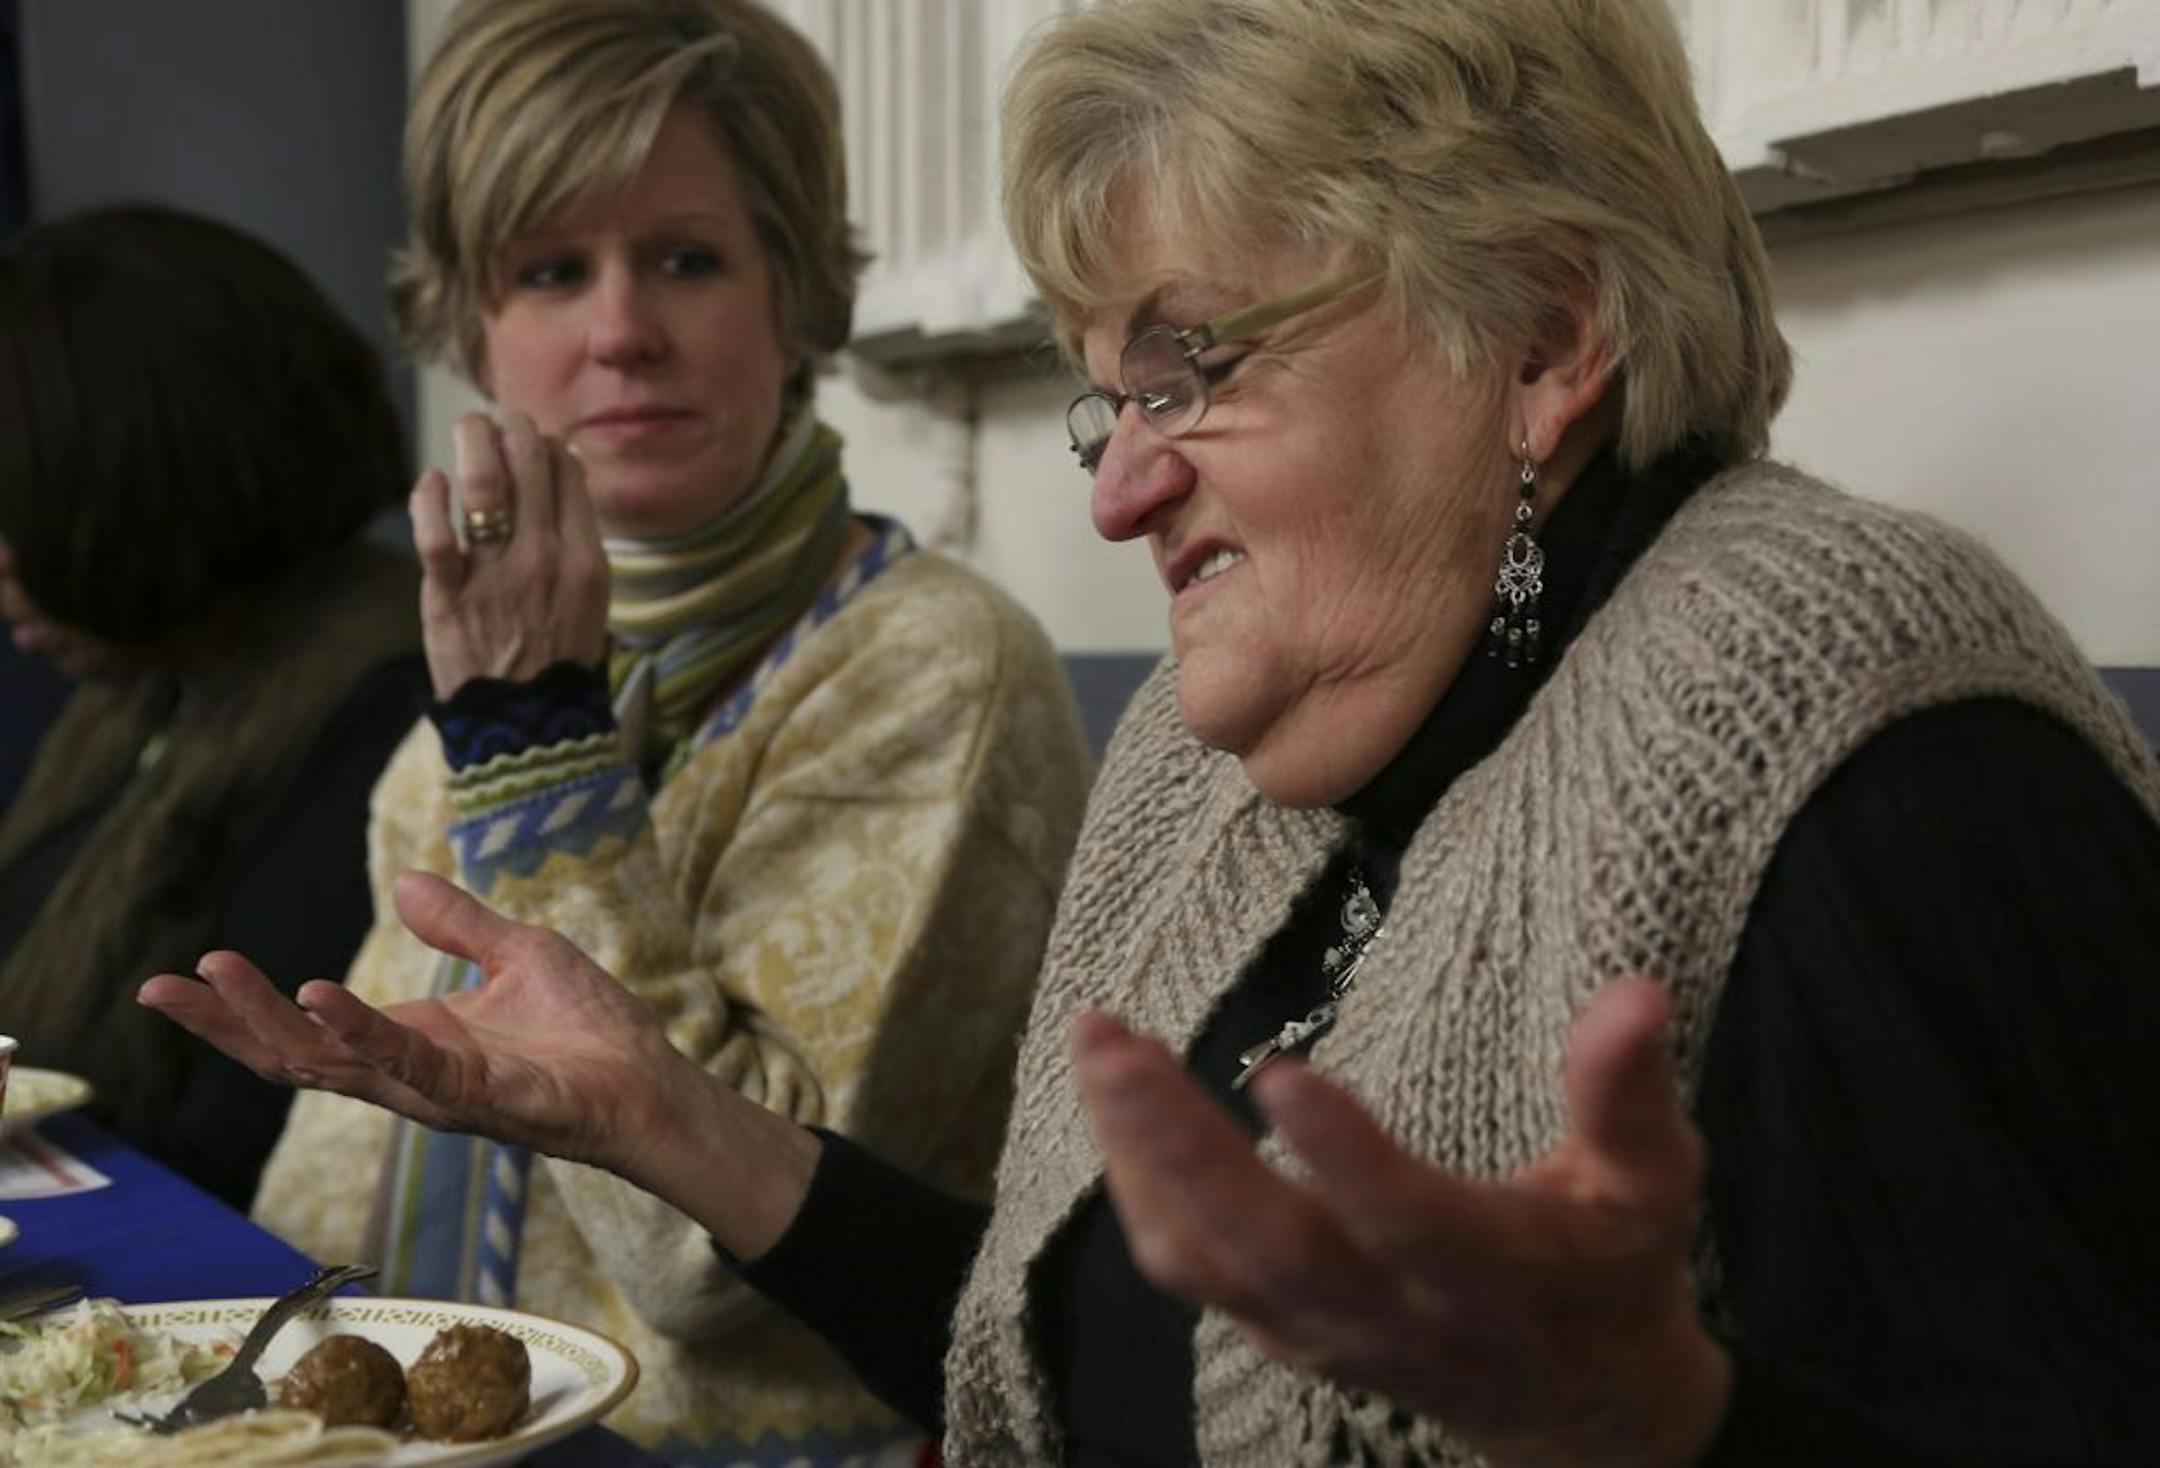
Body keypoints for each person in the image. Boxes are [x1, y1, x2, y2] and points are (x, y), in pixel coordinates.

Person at [148, 0, 2160, 1462]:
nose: (1114, 491)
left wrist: (1670, 1431)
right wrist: (663, 1121)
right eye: (1110, 398)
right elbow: (1090, 1358)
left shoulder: (1873, 752)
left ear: (1542, 334)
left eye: (1192, 369)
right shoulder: (1223, 776)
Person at [240, 1, 1093, 1463]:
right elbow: (332, 1184)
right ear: (473, 328)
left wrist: (541, 757)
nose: (622, 331)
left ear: (796, 295)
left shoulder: (938, 665)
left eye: (686, 259)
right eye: (552, 271)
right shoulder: (509, 656)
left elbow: (712, 1265)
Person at [0, 204, 422, 1210]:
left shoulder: (387, 703)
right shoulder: (149, 685)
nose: (2, 564)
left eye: (15, 509)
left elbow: (230, 1145)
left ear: (143, 476)